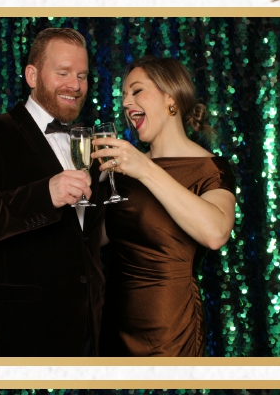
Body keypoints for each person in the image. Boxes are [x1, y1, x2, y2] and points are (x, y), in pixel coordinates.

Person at [0, 27, 107, 356]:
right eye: (63, 73)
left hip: (87, 334)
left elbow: (86, 235)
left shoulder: (89, 140)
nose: (75, 85)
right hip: (19, 335)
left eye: (82, 76)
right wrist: (44, 195)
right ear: (32, 75)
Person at [93, 57, 236, 356]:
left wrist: (146, 168)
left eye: (136, 91)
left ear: (170, 98)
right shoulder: (124, 169)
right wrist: (88, 188)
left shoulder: (211, 169)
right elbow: (98, 238)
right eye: (123, 96)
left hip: (169, 332)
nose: (125, 103)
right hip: (112, 327)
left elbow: (215, 233)